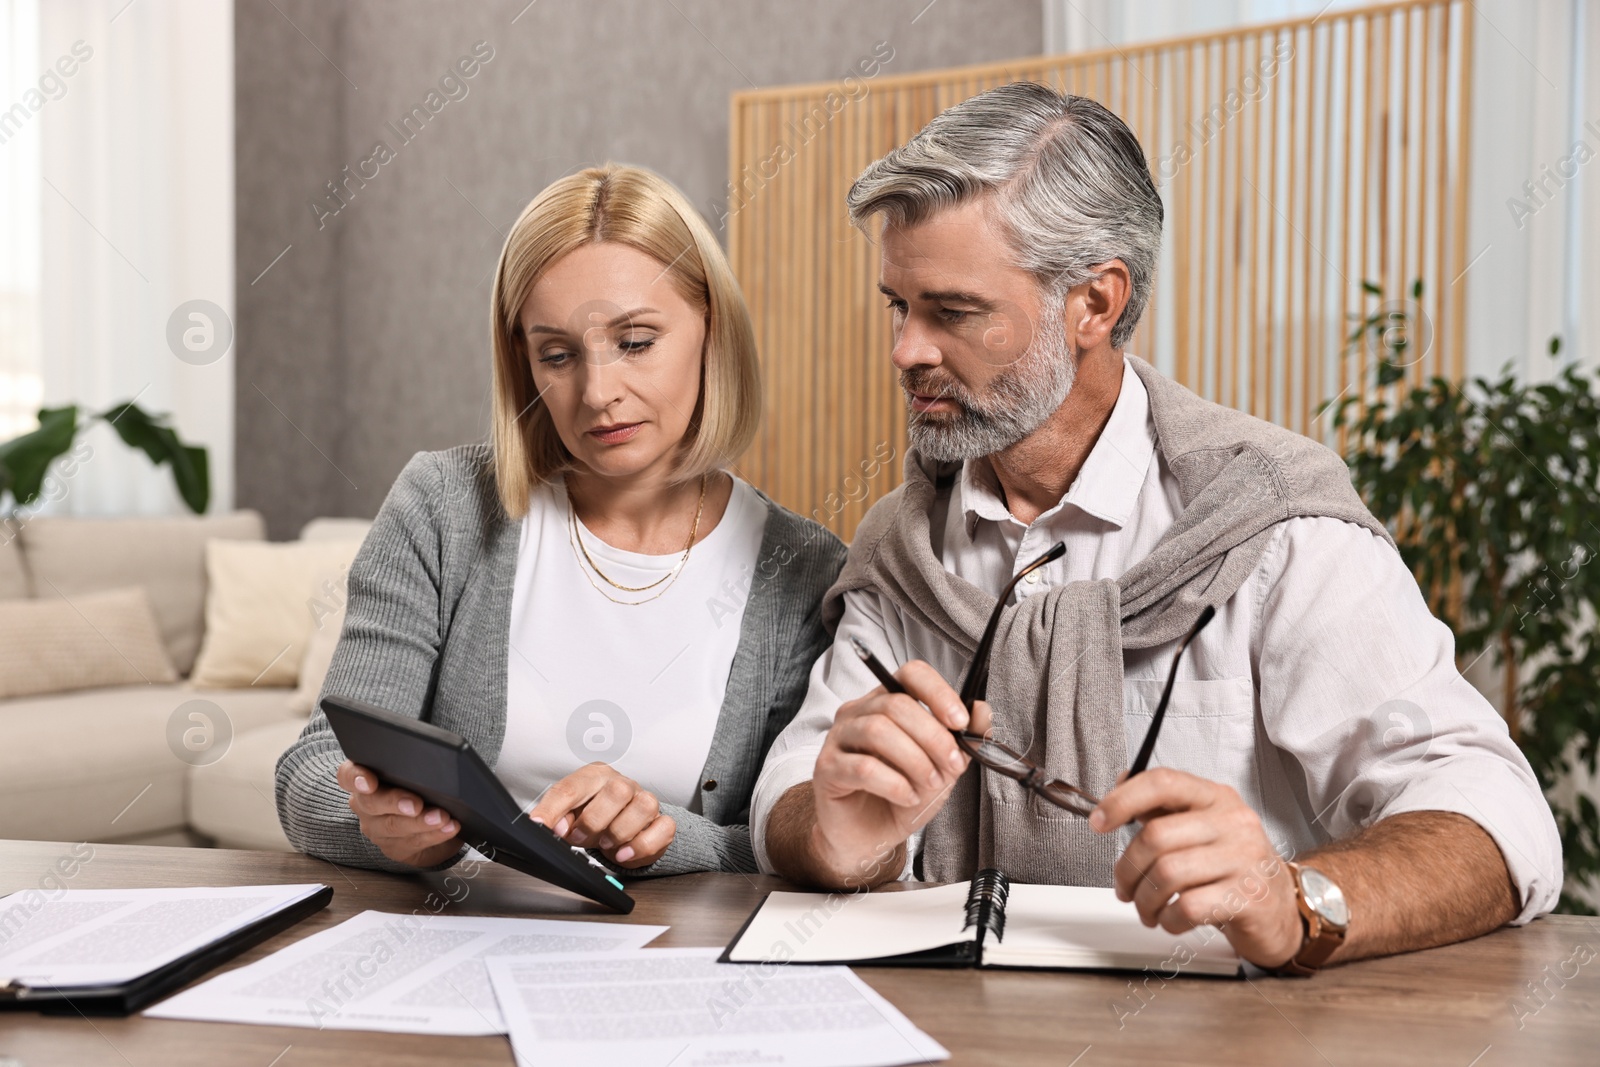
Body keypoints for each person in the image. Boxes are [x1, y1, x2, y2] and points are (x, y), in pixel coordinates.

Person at [752, 83, 1562, 973]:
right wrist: (834, 834)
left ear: (1095, 304)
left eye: (952, 311)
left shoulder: (1274, 525)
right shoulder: (901, 545)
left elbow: (1494, 815)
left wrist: (1296, 900)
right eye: (898, 306)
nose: (905, 349)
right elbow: (791, 795)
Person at [276, 164, 845, 876]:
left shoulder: (805, 569)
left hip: (673, 964)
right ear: (525, 363)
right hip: (457, 942)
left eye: (636, 342)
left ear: (712, 327)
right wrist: (379, 829)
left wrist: (659, 834)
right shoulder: (444, 507)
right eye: (558, 355)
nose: (599, 392)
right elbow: (314, 768)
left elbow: (785, 839)